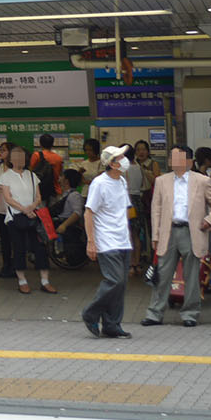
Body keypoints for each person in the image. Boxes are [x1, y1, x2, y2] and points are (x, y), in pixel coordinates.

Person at [142, 144, 211, 328]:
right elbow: (156, 210)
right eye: (172, 158)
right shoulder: (162, 181)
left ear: (189, 161)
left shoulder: (202, 180)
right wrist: (155, 236)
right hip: (168, 231)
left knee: (191, 274)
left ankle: (190, 313)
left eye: (178, 158)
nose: (173, 161)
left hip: (192, 231)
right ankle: (154, 313)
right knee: (163, 274)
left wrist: (210, 220)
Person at [81, 144, 134, 339]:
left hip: (122, 239)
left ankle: (112, 324)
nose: (124, 160)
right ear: (111, 163)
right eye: (119, 157)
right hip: (106, 239)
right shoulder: (99, 183)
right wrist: (91, 241)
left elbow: (123, 211)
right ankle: (90, 313)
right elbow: (89, 212)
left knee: (121, 284)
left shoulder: (121, 181)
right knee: (115, 280)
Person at [0, 146, 56, 294]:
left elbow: (38, 197)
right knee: (19, 248)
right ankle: (22, 281)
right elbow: (8, 198)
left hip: (33, 215)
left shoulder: (31, 175)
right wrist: (24, 209)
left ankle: (45, 281)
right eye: (15, 156)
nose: (19, 160)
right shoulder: (6, 177)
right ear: (10, 159)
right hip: (15, 217)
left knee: (40, 248)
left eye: (21, 157)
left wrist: (31, 208)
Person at [0, 139, 16, 279]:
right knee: (4, 240)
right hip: (0, 208)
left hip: (12, 209)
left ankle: (15, 265)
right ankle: (6, 265)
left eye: (4, 150)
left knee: (14, 239)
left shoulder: (17, 168)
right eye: (0, 150)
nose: (1, 152)